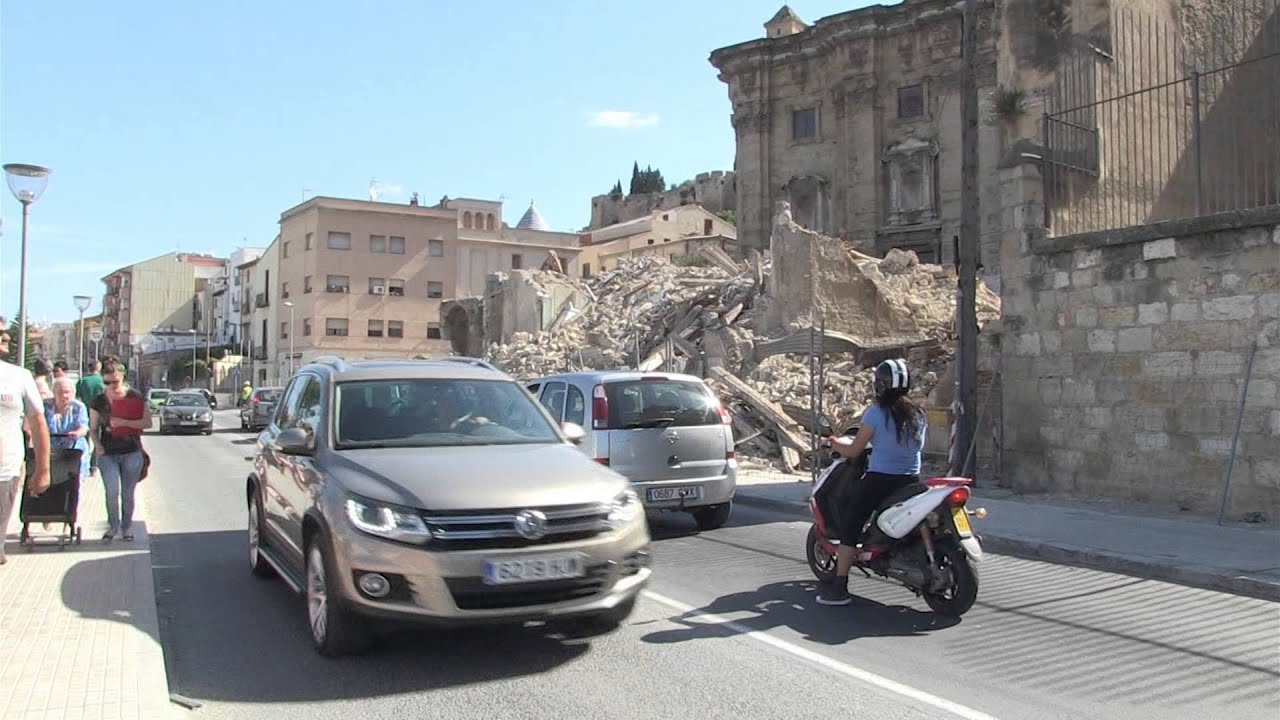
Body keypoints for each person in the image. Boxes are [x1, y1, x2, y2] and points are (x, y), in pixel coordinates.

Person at [816, 358, 926, 607]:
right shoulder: (918, 415)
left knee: (850, 526)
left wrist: (833, 443)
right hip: (912, 480)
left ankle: (839, 587)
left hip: (880, 481)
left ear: (880, 385)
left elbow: (855, 450)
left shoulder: (875, 414)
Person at [0, 325, 52, 565]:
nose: (6, 336)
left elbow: (38, 423)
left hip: (4, 473)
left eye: (5, 332)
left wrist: (43, 470)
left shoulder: (19, 376)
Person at [89, 357, 151, 542]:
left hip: (131, 451)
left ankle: (127, 527)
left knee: (127, 492)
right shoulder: (98, 401)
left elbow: (147, 423)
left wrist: (124, 422)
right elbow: (92, 429)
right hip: (107, 453)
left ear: (122, 377)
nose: (111, 386)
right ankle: (113, 526)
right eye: (107, 382)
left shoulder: (134, 396)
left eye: (115, 381)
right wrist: (97, 445)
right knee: (111, 491)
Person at [45, 377, 91, 484]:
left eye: (67, 392)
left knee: (74, 487)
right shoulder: (45, 405)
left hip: (73, 450)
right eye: (60, 392)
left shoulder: (78, 407)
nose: (64, 396)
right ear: (54, 392)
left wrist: (77, 433)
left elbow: (84, 426)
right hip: (51, 452)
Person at [76, 359, 107, 477]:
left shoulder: (83, 381)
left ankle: (83, 464)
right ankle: (94, 466)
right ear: (98, 368)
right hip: (100, 414)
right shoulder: (102, 381)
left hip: (85, 413)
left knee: (84, 440)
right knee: (97, 440)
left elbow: (77, 397)